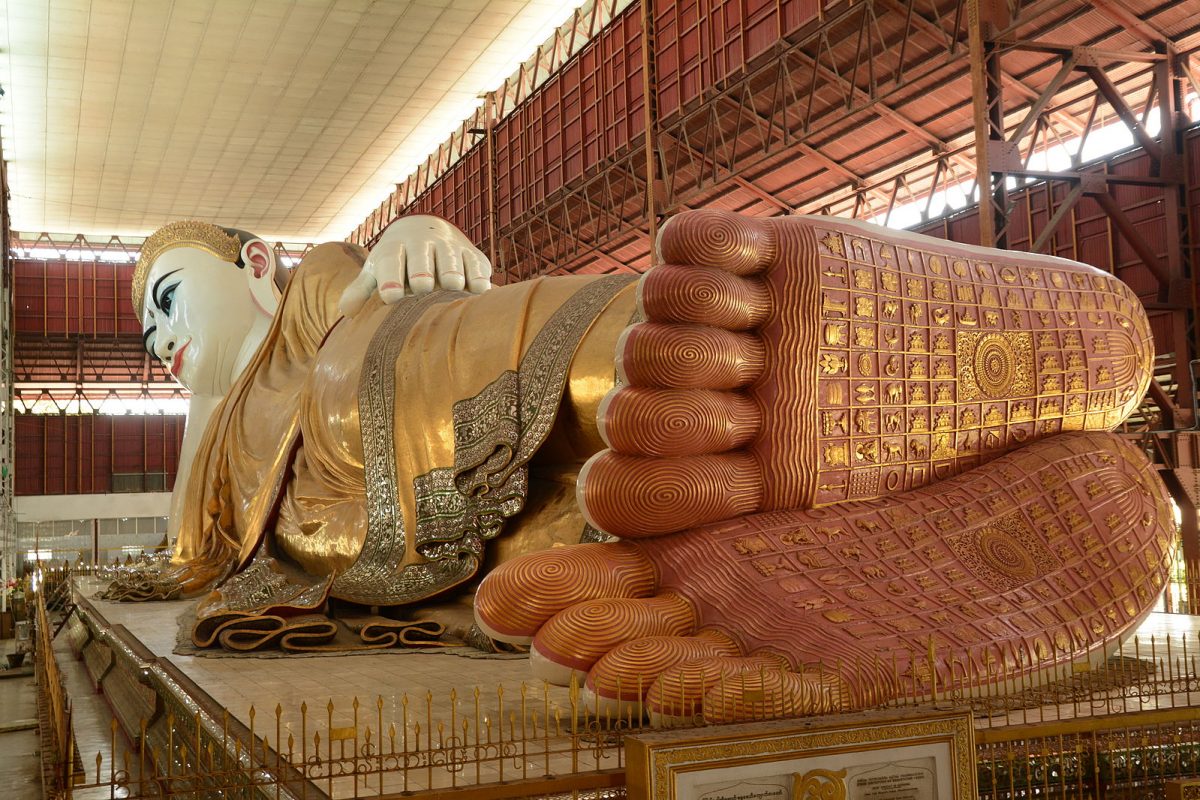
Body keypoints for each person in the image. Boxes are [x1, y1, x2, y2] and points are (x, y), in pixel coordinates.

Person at [116, 209, 1165, 671]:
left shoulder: (303, 300)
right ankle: (812, 500)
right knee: (588, 521)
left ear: (252, 260)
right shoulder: (216, 457)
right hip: (368, 530)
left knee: (461, 371)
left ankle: (734, 345)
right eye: (146, 331)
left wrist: (409, 233)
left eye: (166, 300)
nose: (160, 337)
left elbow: (353, 276)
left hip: (383, 367)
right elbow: (191, 556)